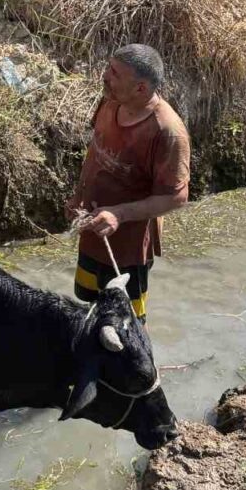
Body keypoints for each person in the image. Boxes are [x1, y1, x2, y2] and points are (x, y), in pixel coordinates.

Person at [68, 44, 191, 322]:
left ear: (140, 88)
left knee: (125, 323)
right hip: (92, 230)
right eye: (108, 68)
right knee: (88, 308)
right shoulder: (111, 100)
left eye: (115, 73)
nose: (105, 76)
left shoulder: (167, 132)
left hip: (128, 248)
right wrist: (79, 196)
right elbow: (95, 149)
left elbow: (177, 197)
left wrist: (118, 215)